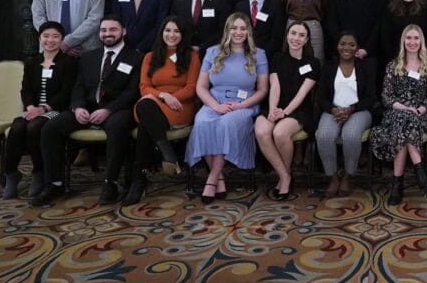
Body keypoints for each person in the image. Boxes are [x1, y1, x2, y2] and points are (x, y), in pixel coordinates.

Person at [33, 16, 142, 206]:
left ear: (123, 31)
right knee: (51, 127)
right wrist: (77, 106)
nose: (107, 34)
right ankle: (55, 183)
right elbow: (78, 86)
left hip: (117, 109)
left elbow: (133, 91)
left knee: (118, 126)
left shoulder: (136, 57)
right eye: (104, 30)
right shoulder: (88, 56)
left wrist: (108, 110)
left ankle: (111, 183)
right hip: (87, 108)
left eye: (113, 29)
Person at [185, 13, 269, 203]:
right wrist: (215, 106)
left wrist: (241, 105)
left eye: (242, 28)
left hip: (244, 104)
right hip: (215, 102)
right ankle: (220, 178)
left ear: (248, 31)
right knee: (202, 122)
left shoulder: (258, 54)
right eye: (234, 28)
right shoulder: (213, 52)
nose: (238, 32)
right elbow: (201, 86)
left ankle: (212, 179)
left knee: (227, 124)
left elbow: (263, 90)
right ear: (227, 30)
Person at [0, 22, 78, 200]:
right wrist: (30, 107)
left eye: (55, 36)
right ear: (40, 38)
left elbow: (66, 92)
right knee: (17, 127)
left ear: (62, 39)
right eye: (46, 36)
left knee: (35, 127)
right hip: (32, 108)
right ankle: (11, 174)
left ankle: (38, 172)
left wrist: (43, 108)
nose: (50, 40)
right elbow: (25, 90)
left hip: (55, 109)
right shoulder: (32, 62)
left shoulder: (69, 63)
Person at [129, 16, 200, 203]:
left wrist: (172, 98)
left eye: (177, 31)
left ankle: (139, 178)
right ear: (161, 33)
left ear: (183, 35)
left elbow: (192, 87)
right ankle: (166, 150)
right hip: (153, 103)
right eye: (168, 30)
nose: (172, 35)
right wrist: (162, 96)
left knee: (146, 123)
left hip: (180, 106)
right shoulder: (149, 57)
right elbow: (144, 87)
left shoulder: (191, 56)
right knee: (145, 105)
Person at [371, 24, 427, 204]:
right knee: (402, 119)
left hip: (420, 115)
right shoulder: (393, 65)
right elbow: (386, 96)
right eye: (408, 38)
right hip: (395, 112)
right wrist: (401, 107)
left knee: (405, 123)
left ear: (421, 41)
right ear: (403, 41)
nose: (412, 42)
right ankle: (419, 170)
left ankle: (397, 184)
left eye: (416, 38)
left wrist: (420, 109)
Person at [256, 21, 320, 201]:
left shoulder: (313, 63)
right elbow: (274, 86)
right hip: (276, 105)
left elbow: (302, 94)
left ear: (307, 39)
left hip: (299, 110)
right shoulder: (277, 57)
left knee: (280, 133)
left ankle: (285, 177)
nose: (296, 38)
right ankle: (284, 175)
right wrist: (273, 109)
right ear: (287, 35)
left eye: (301, 35)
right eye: (293, 33)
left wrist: (285, 112)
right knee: (261, 131)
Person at [315, 32, 376, 198]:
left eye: (351, 44)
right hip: (333, 110)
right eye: (343, 43)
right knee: (324, 136)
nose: (346, 47)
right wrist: (334, 110)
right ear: (337, 46)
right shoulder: (328, 66)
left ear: (357, 48)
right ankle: (333, 177)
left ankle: (348, 176)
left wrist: (351, 109)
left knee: (350, 135)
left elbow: (371, 97)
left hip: (359, 111)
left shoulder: (365, 67)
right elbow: (320, 97)